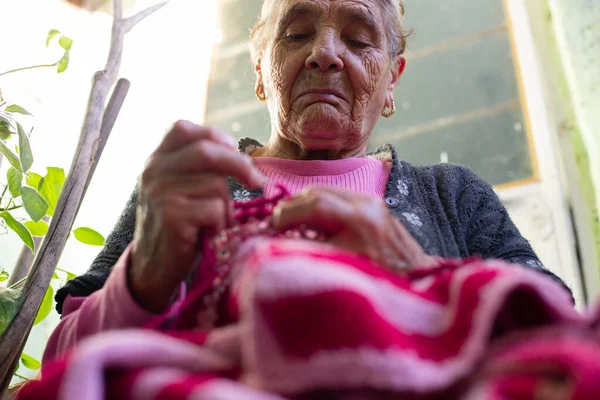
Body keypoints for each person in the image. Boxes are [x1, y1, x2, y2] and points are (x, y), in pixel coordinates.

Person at [44, 0, 569, 364]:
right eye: (296, 34)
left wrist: (422, 280)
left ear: (392, 79)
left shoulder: (453, 197)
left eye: (359, 38)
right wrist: (146, 279)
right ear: (259, 68)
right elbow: (64, 363)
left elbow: (561, 340)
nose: (325, 53)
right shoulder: (188, 185)